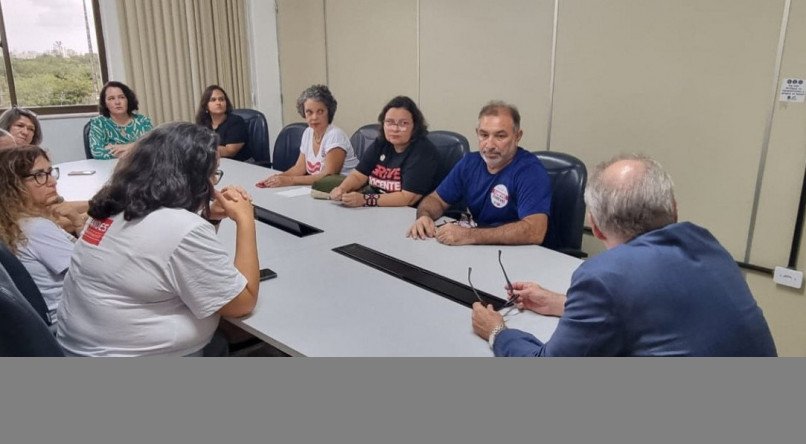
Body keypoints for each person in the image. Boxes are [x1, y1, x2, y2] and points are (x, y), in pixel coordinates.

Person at [472, 153, 777, 357]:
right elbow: (656, 307)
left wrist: (497, 332)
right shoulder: (704, 241)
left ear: (597, 228)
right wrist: (560, 304)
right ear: (673, 210)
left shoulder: (603, 276)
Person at [57, 122, 260, 357]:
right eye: (212, 173)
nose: (213, 184)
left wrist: (209, 217)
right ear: (192, 176)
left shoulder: (114, 205)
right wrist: (246, 221)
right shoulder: (181, 229)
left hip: (83, 347)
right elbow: (242, 304)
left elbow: (170, 258)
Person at [407, 101, 552, 246]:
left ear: (517, 136)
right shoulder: (470, 163)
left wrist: (470, 236)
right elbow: (436, 200)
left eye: (500, 136)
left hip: (515, 256)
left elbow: (535, 231)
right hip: (479, 249)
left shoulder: (530, 171)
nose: (489, 145)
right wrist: (424, 217)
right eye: (484, 135)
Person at [0, 145, 77, 325]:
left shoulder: (14, 223)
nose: (52, 181)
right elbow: (92, 271)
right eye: (39, 175)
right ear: (15, 185)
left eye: (50, 172)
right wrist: (79, 223)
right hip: (69, 319)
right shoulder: (36, 228)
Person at [329, 96, 439, 207]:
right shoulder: (381, 142)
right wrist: (342, 189)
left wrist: (365, 200)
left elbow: (407, 198)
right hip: (375, 207)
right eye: (389, 122)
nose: (395, 129)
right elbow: (359, 175)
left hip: (407, 213)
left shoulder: (423, 151)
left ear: (415, 126)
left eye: (403, 123)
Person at [257, 84, 358, 187]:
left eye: (320, 112)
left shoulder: (335, 135)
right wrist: (278, 178)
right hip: (320, 189)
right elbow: (299, 168)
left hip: (345, 191)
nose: (314, 117)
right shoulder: (308, 133)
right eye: (309, 112)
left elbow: (329, 176)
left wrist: (290, 180)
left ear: (329, 112)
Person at [88, 81, 154, 159]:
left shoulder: (143, 121)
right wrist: (136, 147)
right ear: (105, 103)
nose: (117, 102)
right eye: (111, 98)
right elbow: (97, 151)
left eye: (121, 97)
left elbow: (152, 147)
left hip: (140, 167)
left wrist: (127, 146)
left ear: (128, 100)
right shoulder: (98, 123)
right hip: (108, 168)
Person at [195, 84, 251, 161]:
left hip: (241, 165)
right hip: (214, 163)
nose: (218, 103)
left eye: (221, 99)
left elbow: (230, 151)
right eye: (213, 100)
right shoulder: (203, 123)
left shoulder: (236, 122)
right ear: (206, 106)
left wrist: (202, 148)